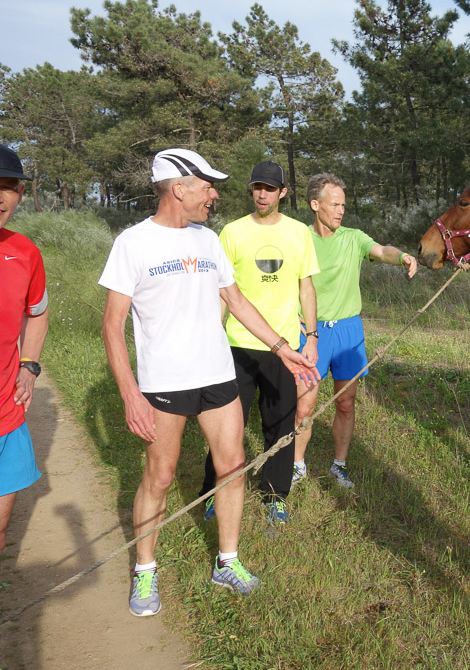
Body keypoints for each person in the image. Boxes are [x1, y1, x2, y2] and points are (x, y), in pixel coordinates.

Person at [100, 148, 318, 617]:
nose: (214, 195)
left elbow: (236, 301)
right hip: (164, 381)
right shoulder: (133, 243)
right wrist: (129, 394)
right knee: (159, 475)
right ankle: (144, 570)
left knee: (233, 464)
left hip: (217, 374)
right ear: (179, 189)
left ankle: (227, 561)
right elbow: (112, 325)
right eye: (207, 186)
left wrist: (285, 348)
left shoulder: (208, 239)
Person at [198, 161, 319, 525]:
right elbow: (222, 292)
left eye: (269, 188)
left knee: (281, 422)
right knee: (226, 426)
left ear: (283, 192)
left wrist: (310, 338)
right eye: (256, 187)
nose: (262, 194)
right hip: (236, 344)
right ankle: (211, 493)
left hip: (284, 346)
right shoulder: (232, 233)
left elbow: (306, 287)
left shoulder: (299, 233)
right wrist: (210, 337)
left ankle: (274, 496)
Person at [291, 173, 417, 489]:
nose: (340, 210)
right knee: (304, 406)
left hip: (348, 330)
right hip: (311, 333)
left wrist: (401, 257)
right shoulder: (299, 238)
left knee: (346, 403)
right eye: (334, 204)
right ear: (315, 205)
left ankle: (339, 465)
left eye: (343, 205)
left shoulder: (353, 237)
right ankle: (296, 465)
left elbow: (381, 250)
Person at [0, 144, 49, 556]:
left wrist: (29, 367)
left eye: (8, 186)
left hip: (6, 413)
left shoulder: (26, 253)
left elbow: (38, 313)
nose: (0, 196)